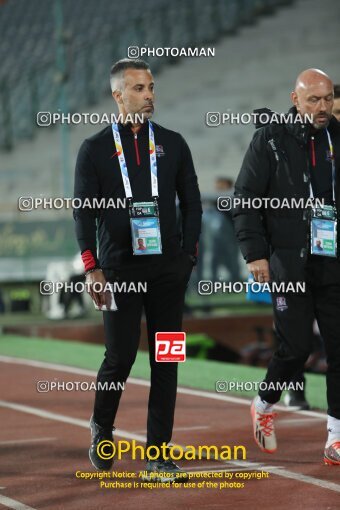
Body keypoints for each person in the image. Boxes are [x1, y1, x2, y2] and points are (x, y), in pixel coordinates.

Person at [73, 58, 202, 479]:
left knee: (167, 358)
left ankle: (158, 453)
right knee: (121, 356)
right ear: (118, 95)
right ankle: (102, 427)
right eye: (140, 89)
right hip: (118, 270)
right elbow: (83, 214)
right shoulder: (93, 149)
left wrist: (189, 255)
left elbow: (193, 202)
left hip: (167, 270)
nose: (149, 95)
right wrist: (92, 268)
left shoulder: (173, 143)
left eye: (151, 87)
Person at [233, 69, 340, 465]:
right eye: (314, 99)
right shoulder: (270, 138)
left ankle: (335, 436)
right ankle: (263, 403)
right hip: (288, 261)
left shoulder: (337, 136)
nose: (322, 106)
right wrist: (255, 254)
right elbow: (245, 196)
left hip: (332, 259)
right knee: (294, 349)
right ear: (295, 100)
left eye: (327, 98)